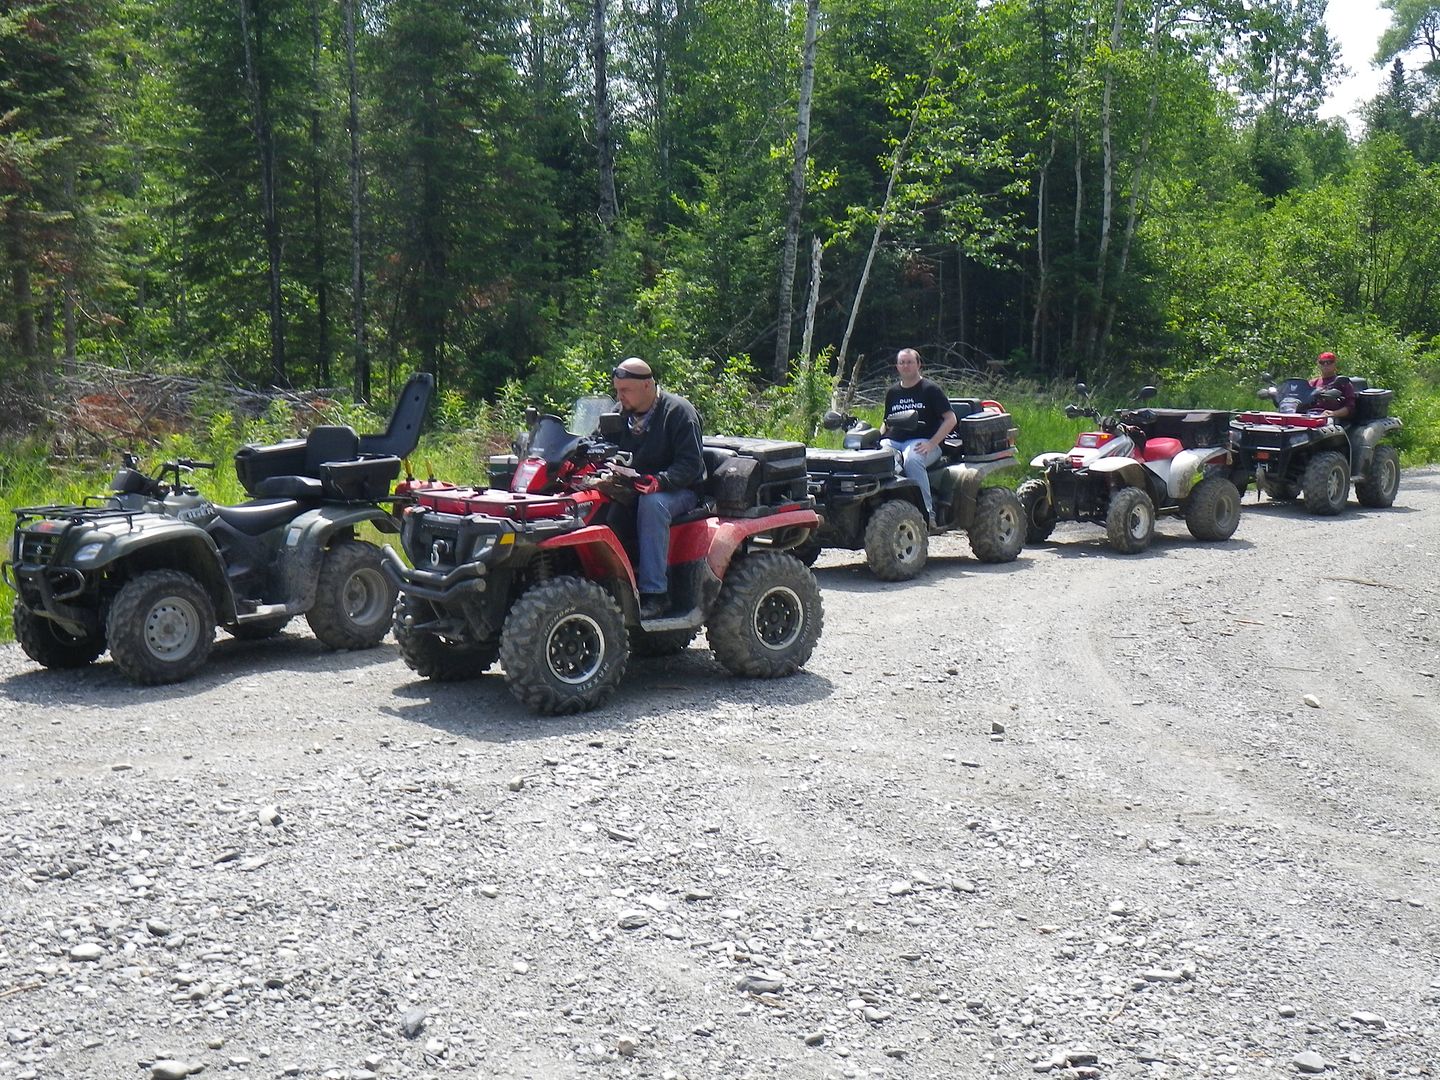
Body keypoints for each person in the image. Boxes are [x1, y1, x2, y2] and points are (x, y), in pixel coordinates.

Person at [609, 357, 706, 619]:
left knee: (652, 505)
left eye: (625, 390)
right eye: (617, 390)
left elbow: (691, 465)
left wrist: (660, 482)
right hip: (635, 485)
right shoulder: (621, 413)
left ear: (647, 386)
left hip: (680, 490)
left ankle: (655, 593)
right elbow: (597, 442)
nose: (619, 397)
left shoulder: (679, 413)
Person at [880, 348, 957, 529]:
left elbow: (951, 419)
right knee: (877, 460)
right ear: (897, 366)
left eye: (909, 362)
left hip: (923, 441)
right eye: (902, 362)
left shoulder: (930, 390)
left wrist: (932, 443)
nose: (905, 366)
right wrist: (876, 438)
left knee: (912, 460)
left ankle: (926, 514)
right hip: (895, 441)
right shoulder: (893, 392)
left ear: (919, 364)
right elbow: (886, 422)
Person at [1308, 351, 1355, 421]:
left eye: (1329, 362)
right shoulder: (1312, 383)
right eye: (1322, 362)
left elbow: (1350, 407)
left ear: (1334, 364)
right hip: (1312, 416)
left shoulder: (1343, 382)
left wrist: (1333, 413)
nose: (1325, 365)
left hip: (1334, 420)